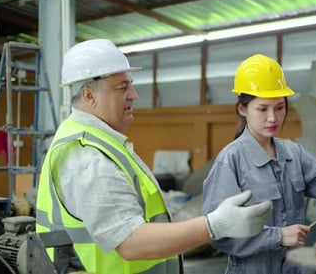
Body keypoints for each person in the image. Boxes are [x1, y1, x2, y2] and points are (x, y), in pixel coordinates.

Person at [35, 39, 273, 274]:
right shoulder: (88, 157)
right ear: (89, 95)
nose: (134, 95)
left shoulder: (99, 142)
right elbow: (130, 241)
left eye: (131, 85)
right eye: (122, 87)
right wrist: (216, 225)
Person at [201, 54, 316, 274]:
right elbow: (218, 233)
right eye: (262, 109)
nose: (273, 118)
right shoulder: (231, 161)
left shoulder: (292, 153)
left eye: (279, 107)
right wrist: (278, 236)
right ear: (242, 109)